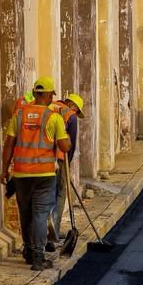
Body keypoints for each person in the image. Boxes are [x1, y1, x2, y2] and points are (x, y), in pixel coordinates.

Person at [0, 76, 71, 270]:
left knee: (26, 214)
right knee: (40, 214)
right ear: (48, 94)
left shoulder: (20, 115)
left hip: (22, 174)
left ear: (36, 93)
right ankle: (38, 257)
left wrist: (4, 170)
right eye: (51, 94)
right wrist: (66, 137)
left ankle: (29, 250)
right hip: (44, 175)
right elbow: (64, 146)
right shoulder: (53, 117)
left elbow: (8, 145)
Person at [47, 93, 85, 251]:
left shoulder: (50, 106)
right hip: (60, 158)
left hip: (44, 157)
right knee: (61, 192)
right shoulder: (71, 116)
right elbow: (72, 143)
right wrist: (67, 164)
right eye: (77, 111)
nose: (76, 114)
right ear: (74, 106)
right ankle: (53, 231)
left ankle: (44, 230)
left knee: (47, 192)